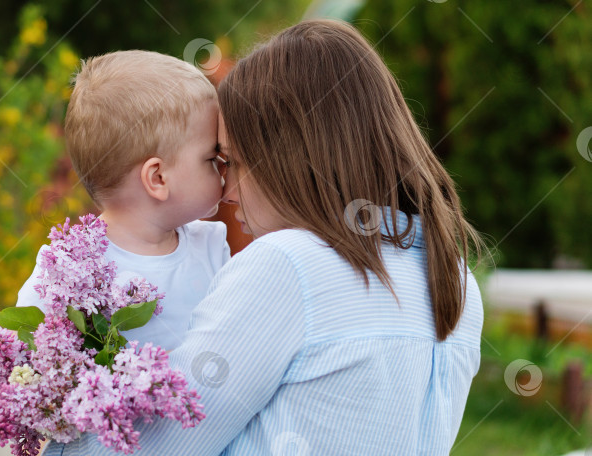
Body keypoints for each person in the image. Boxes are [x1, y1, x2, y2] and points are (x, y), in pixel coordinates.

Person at [52, 19, 485, 456]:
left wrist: (44, 425)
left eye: (235, 162)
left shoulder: (289, 267)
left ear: (290, 158)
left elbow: (153, 446)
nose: (228, 190)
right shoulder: (452, 277)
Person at [16, 50, 231, 453]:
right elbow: (29, 353)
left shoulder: (212, 246)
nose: (224, 172)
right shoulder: (70, 268)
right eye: (210, 159)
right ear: (158, 177)